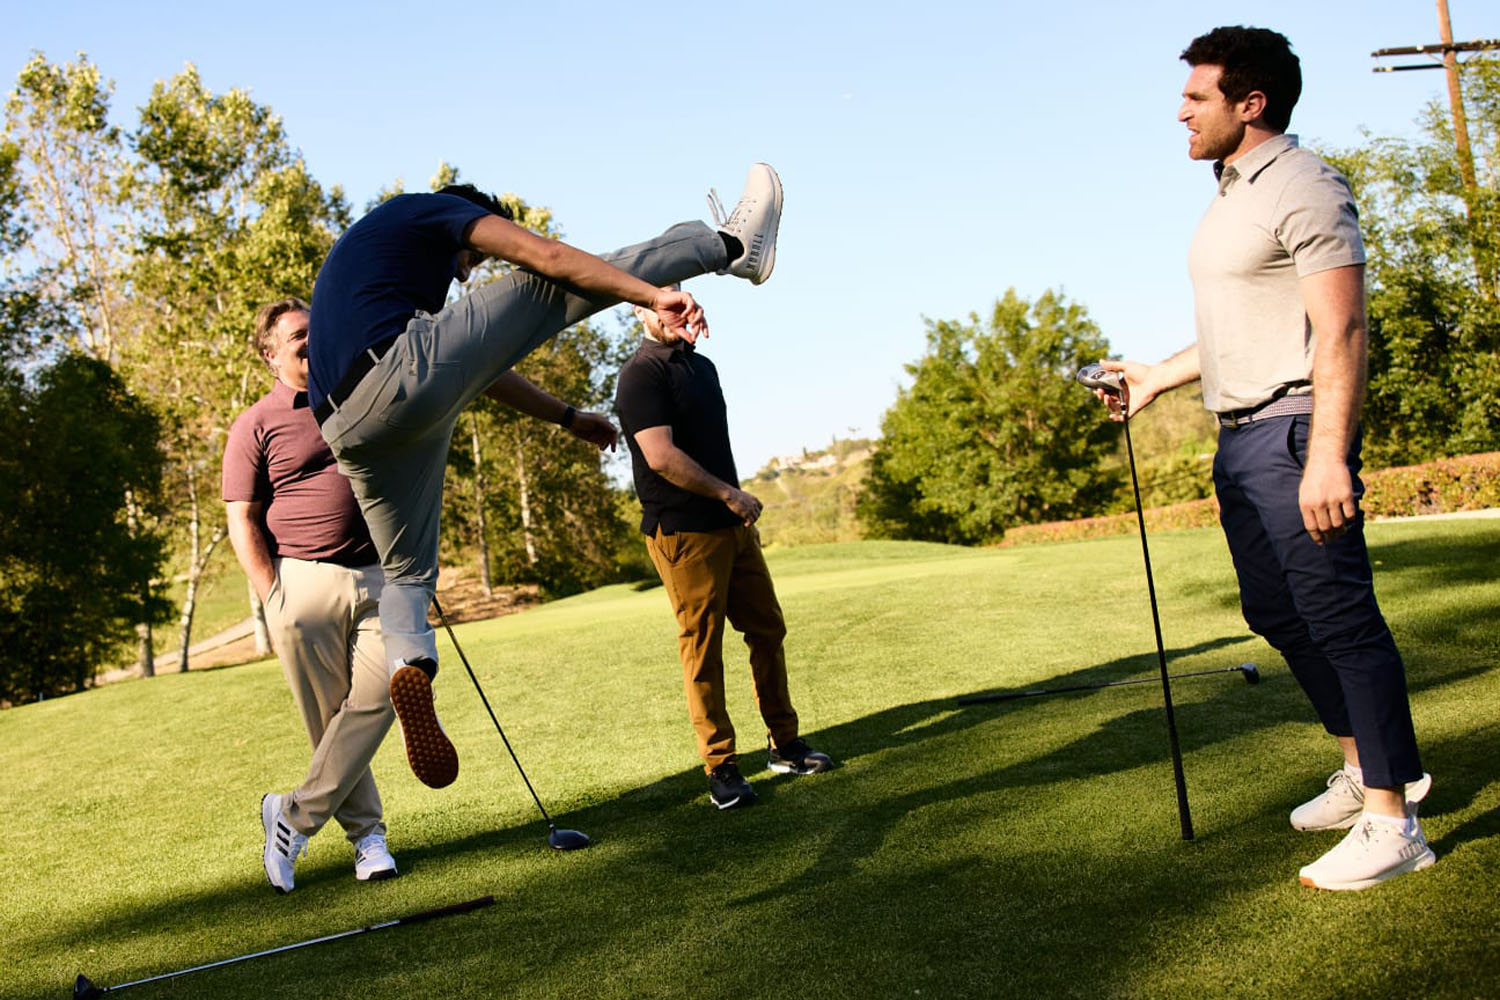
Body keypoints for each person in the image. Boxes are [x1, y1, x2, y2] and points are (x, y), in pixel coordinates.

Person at [308, 165, 783, 791]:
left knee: (408, 573)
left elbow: (477, 367)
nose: (466, 276)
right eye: (472, 260)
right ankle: (728, 246)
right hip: (394, 374)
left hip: (348, 426)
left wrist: (566, 417)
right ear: (470, 221)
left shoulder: (380, 271)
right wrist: (648, 294)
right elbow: (550, 258)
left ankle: (410, 664)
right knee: (549, 284)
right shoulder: (428, 210)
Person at [1095, 26, 1433, 890]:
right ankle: (1363, 767)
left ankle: (1394, 821)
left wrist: (1330, 457)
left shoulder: (1304, 183)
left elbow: (1342, 328)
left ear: (1251, 104)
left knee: (1341, 619)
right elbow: (1241, 325)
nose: (1180, 112)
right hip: (1239, 438)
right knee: (1276, 613)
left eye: (1196, 97)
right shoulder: (1230, 194)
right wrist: (1156, 378)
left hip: (1294, 433)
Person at [614, 286, 832, 809]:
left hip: (733, 526)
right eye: (662, 305)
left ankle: (784, 745)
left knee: (767, 630)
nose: (676, 313)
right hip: (683, 533)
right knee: (703, 649)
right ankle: (721, 767)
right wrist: (729, 494)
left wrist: (733, 505)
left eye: (681, 301)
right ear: (640, 309)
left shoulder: (702, 367)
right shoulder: (640, 374)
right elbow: (661, 457)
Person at [224, 298, 397, 893]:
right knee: (328, 719)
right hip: (302, 581)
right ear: (270, 354)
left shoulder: (357, 395)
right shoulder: (255, 423)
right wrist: (273, 595)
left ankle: (293, 816)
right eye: (299, 334)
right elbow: (242, 518)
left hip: (379, 571)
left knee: (387, 691)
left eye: (316, 329)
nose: (312, 339)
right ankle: (368, 840)